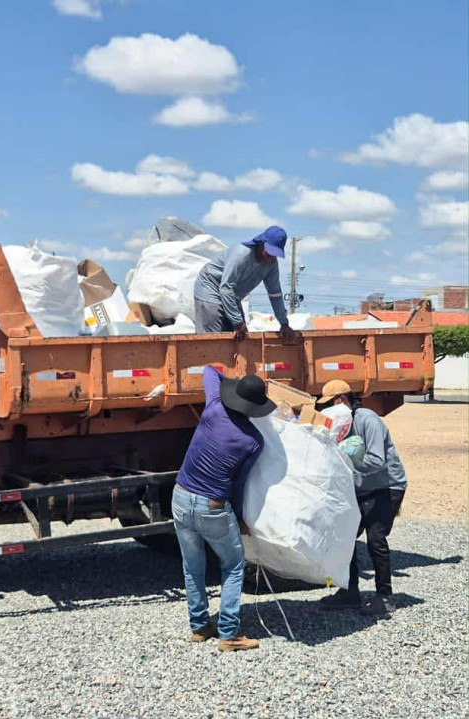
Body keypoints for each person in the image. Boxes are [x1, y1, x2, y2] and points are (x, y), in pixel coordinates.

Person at [173, 366, 276, 652]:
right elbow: (239, 485)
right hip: (213, 505)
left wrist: (235, 378)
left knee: (192, 566)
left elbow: (209, 371)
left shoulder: (214, 408)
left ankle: (199, 626)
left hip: (180, 495)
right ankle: (229, 634)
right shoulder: (253, 441)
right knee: (232, 566)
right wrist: (241, 518)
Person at [317, 379, 407, 617]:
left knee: (376, 539)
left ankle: (384, 597)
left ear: (341, 400)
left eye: (329, 404)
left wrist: (350, 462)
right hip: (361, 487)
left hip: (387, 486)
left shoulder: (368, 419)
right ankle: (350, 592)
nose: (326, 411)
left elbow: (377, 461)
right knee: (345, 536)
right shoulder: (340, 425)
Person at [193, 226, 299, 343]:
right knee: (215, 339)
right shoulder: (242, 255)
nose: (271, 257)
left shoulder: (271, 264)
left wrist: (284, 323)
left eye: (275, 254)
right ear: (261, 244)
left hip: (232, 296)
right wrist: (237, 322)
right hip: (210, 289)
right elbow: (226, 288)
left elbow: (275, 294)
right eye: (269, 252)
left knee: (242, 337)